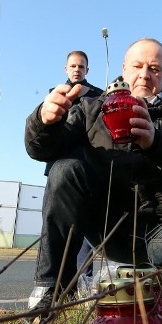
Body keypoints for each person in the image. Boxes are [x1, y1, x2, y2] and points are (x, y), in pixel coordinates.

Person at [25, 38, 162, 314]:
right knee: (64, 169)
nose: (145, 74)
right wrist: (44, 121)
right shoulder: (91, 106)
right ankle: (52, 288)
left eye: (154, 69)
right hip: (108, 227)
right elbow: (42, 150)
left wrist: (157, 143)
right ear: (124, 69)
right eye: (137, 66)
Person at [45, 50, 104, 278]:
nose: (77, 70)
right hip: (59, 168)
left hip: (88, 169)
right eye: (73, 66)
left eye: (81, 66)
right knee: (58, 225)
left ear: (87, 70)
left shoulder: (98, 96)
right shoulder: (55, 95)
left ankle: (84, 279)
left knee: (86, 227)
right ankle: (55, 281)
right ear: (66, 69)